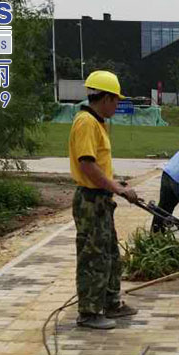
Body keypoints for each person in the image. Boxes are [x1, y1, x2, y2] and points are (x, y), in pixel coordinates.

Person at [68, 70, 139, 330]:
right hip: (90, 200)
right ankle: (88, 313)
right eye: (116, 100)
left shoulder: (98, 122)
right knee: (93, 256)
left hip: (101, 198)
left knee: (109, 253)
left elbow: (99, 164)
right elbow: (86, 164)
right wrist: (117, 189)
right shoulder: (86, 122)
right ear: (106, 98)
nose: (117, 105)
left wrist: (115, 183)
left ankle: (110, 303)